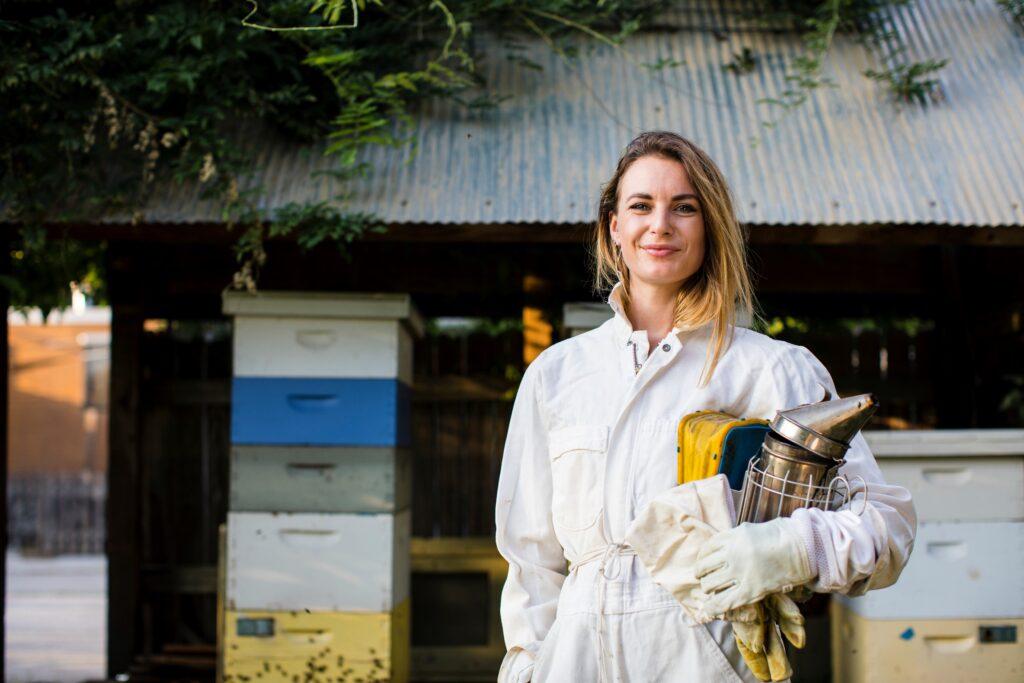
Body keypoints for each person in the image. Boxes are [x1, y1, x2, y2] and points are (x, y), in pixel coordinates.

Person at [494, 131, 917, 683]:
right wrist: (526, 667)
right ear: (613, 228)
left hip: (706, 659)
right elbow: (531, 560)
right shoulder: (557, 374)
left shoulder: (774, 368)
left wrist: (791, 548)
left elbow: (886, 528)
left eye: (684, 208)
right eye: (641, 205)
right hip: (574, 663)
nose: (661, 224)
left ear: (710, 227)